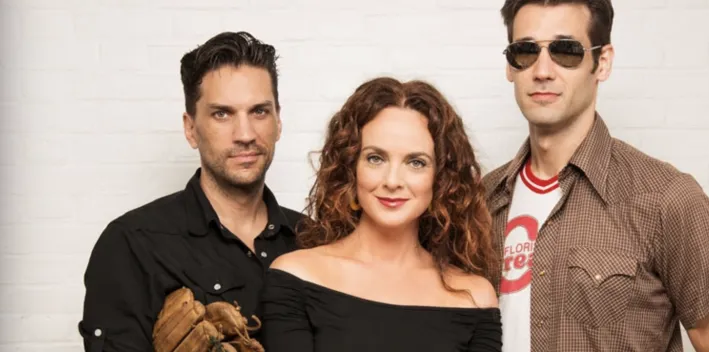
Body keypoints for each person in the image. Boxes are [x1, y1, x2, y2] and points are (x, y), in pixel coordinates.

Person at [486, 1, 709, 351]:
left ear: (602, 62)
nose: (542, 71)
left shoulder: (667, 200)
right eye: (524, 51)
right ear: (510, 66)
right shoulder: (480, 203)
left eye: (565, 50)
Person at [78, 31, 304, 350]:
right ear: (190, 128)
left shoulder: (313, 239)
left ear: (278, 121)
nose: (245, 133)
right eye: (221, 113)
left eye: (259, 111)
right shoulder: (133, 245)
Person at [258, 77, 502, 351]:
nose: (392, 180)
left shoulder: (475, 297)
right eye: (376, 158)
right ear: (351, 166)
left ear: (440, 179)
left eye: (416, 162)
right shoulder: (295, 276)